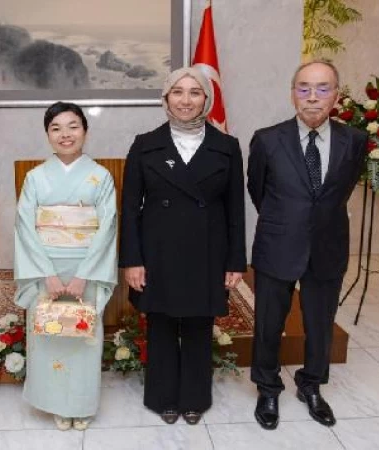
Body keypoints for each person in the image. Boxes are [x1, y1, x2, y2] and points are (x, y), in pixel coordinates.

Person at [119, 67, 246, 425]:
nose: (186, 100)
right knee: (159, 324)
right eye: (178, 91)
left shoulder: (227, 146)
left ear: (206, 99)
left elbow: (236, 209)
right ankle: (162, 398)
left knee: (198, 326)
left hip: (208, 251)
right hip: (157, 250)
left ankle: (194, 397)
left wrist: (236, 260)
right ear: (165, 99)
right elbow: (129, 209)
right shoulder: (145, 144)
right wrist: (132, 260)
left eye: (195, 92)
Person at [247, 60, 367, 430]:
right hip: (277, 245)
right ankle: (268, 387)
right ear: (292, 93)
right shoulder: (267, 139)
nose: (312, 97)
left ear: (336, 94)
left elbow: (341, 192)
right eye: (304, 88)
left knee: (320, 324)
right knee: (269, 324)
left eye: (322, 88)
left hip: (328, 247)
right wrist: (288, 222)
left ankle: (311, 385)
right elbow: (257, 190)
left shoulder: (355, 140)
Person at [14, 101, 117, 431]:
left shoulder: (100, 177)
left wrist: (84, 274)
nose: (65, 134)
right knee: (50, 335)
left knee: (84, 337)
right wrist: (47, 273)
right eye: (56, 128)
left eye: (73, 126)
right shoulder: (35, 177)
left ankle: (81, 404)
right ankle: (57, 402)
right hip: (47, 269)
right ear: (47, 134)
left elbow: (108, 226)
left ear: (85, 131)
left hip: (86, 268)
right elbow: (25, 227)